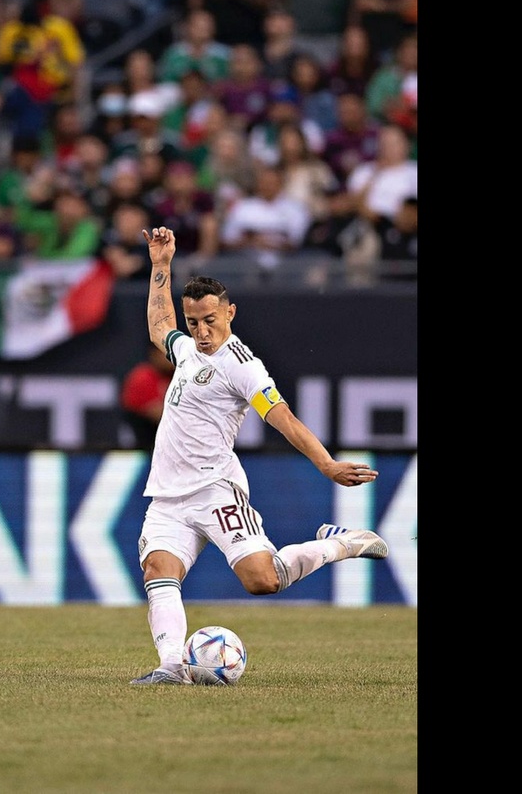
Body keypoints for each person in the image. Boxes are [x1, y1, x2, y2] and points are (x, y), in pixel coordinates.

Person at [129, 226, 389, 685]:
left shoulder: (243, 366)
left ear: (230, 312)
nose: (201, 331)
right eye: (194, 321)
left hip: (215, 489)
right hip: (168, 494)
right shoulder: (187, 351)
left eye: (210, 320)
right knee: (158, 570)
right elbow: (159, 327)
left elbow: (283, 417)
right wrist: (161, 265)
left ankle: (341, 543)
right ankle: (171, 667)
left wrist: (327, 464)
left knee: (262, 580)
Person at [120, 342, 176, 450]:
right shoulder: (142, 378)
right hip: (144, 447)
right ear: (154, 354)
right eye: (167, 353)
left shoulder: (181, 376)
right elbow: (159, 415)